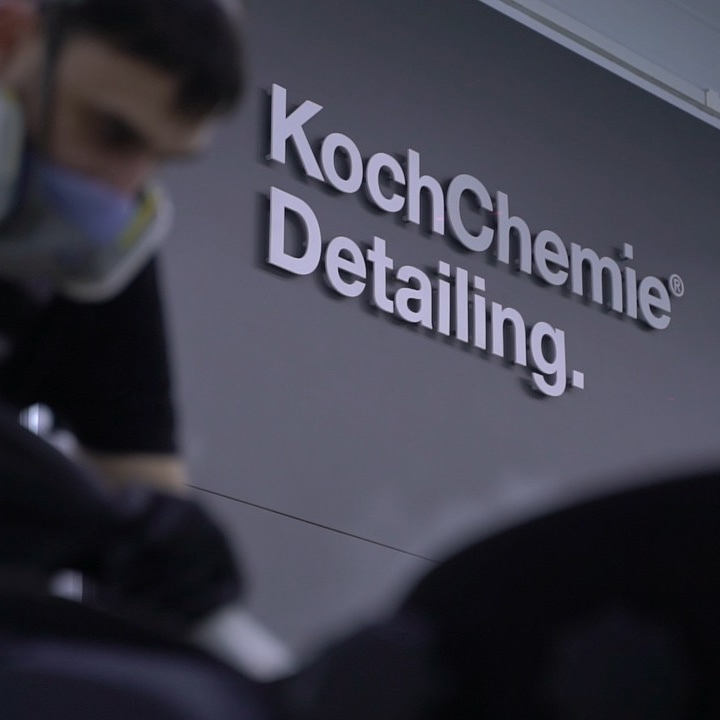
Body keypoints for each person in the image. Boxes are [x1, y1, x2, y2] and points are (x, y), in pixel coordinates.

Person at [0, 0, 246, 494]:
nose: (120, 190)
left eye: (162, 158)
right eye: (112, 132)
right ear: (12, 39)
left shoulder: (75, 257)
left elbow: (148, 481)